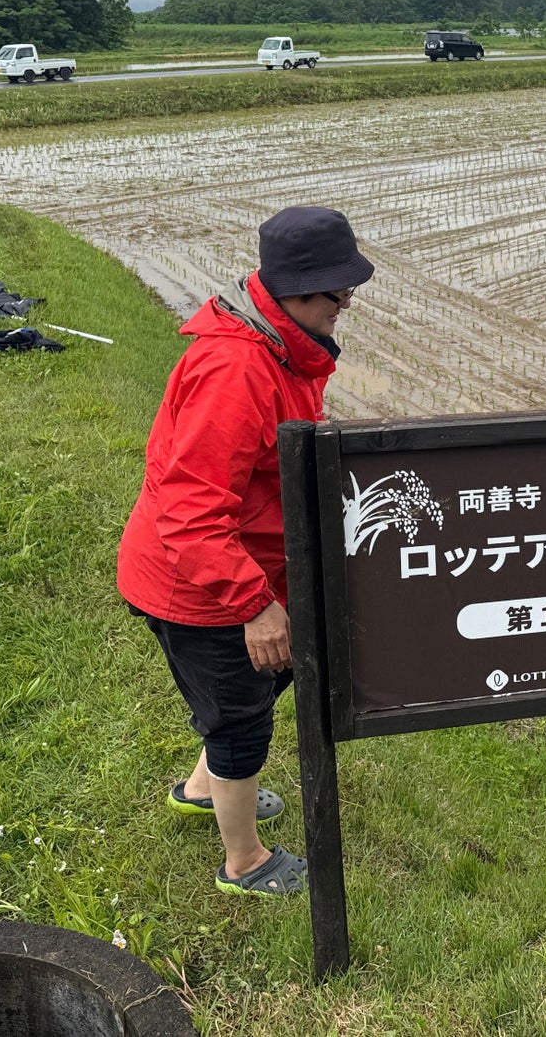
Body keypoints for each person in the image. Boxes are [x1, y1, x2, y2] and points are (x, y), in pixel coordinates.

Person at [118, 206, 374, 896]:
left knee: (268, 677)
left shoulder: (281, 344)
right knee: (240, 717)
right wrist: (253, 605)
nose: (347, 303)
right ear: (292, 289)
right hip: (198, 585)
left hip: (231, 565)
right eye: (336, 293)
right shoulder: (237, 367)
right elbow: (193, 507)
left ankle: (205, 790)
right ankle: (246, 863)